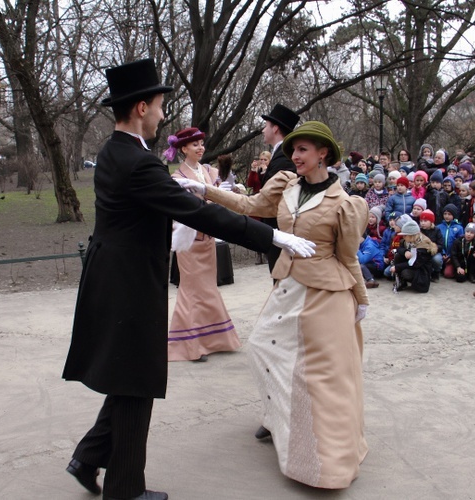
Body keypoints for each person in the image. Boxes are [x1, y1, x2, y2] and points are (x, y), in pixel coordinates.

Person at [62, 59, 315, 500]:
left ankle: (88, 456)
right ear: (141, 107)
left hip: (117, 275)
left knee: (128, 374)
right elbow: (201, 215)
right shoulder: (138, 161)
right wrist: (274, 234)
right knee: (136, 379)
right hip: (128, 282)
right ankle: (125, 490)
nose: (163, 114)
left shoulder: (116, 151)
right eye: (159, 106)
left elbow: (163, 203)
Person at [182, 121, 369, 489]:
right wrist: (204, 189)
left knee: (319, 377)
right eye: (293, 149)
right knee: (261, 349)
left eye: (302, 150)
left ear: (323, 154)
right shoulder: (286, 184)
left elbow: (349, 257)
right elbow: (250, 205)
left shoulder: (346, 204)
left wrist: (360, 298)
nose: (294, 156)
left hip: (325, 294)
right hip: (288, 284)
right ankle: (278, 416)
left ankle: (325, 462)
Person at [165, 128, 241, 362]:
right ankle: (190, 345)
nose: (200, 148)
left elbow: (227, 194)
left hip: (208, 238)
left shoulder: (211, 171)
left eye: (201, 144)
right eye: (195, 145)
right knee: (190, 289)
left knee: (208, 287)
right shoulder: (177, 177)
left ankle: (215, 339)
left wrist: (232, 191)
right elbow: (181, 208)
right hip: (189, 240)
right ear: (183, 149)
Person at [259, 103, 301, 273]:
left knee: (281, 278)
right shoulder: (281, 154)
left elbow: (272, 196)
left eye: (266, 126)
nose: (263, 130)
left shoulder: (284, 156)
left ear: (275, 128)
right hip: (278, 227)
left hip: (280, 228)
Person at [390, 219, 438, 292]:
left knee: (405, 273)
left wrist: (397, 267)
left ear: (411, 235)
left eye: (405, 235)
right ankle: (401, 282)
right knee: (398, 256)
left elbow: (415, 263)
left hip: (421, 270)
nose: (403, 237)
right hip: (412, 264)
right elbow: (399, 248)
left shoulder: (423, 246)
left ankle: (414, 282)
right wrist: (405, 251)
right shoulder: (407, 241)